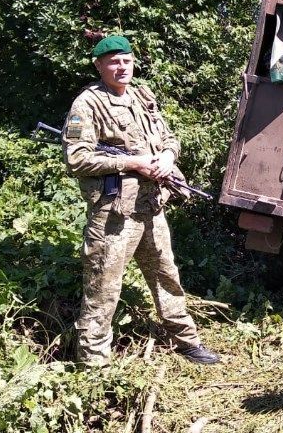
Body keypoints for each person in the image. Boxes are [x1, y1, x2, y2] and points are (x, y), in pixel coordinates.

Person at [62, 35, 219, 366]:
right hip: (114, 216)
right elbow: (76, 159)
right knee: (103, 288)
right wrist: (132, 163)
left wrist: (165, 156)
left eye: (126, 60)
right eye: (114, 62)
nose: (122, 67)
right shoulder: (87, 105)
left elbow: (170, 137)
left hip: (151, 207)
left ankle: (186, 342)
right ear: (99, 66)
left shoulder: (142, 96)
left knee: (167, 276)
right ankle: (93, 364)